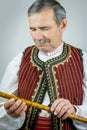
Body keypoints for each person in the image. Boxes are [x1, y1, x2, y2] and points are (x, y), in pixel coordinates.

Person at [0, 0, 87, 130]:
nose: (37, 37)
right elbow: (2, 107)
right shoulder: (19, 59)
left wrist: (76, 110)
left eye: (44, 28)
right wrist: (9, 114)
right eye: (33, 29)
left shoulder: (82, 59)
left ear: (62, 25)